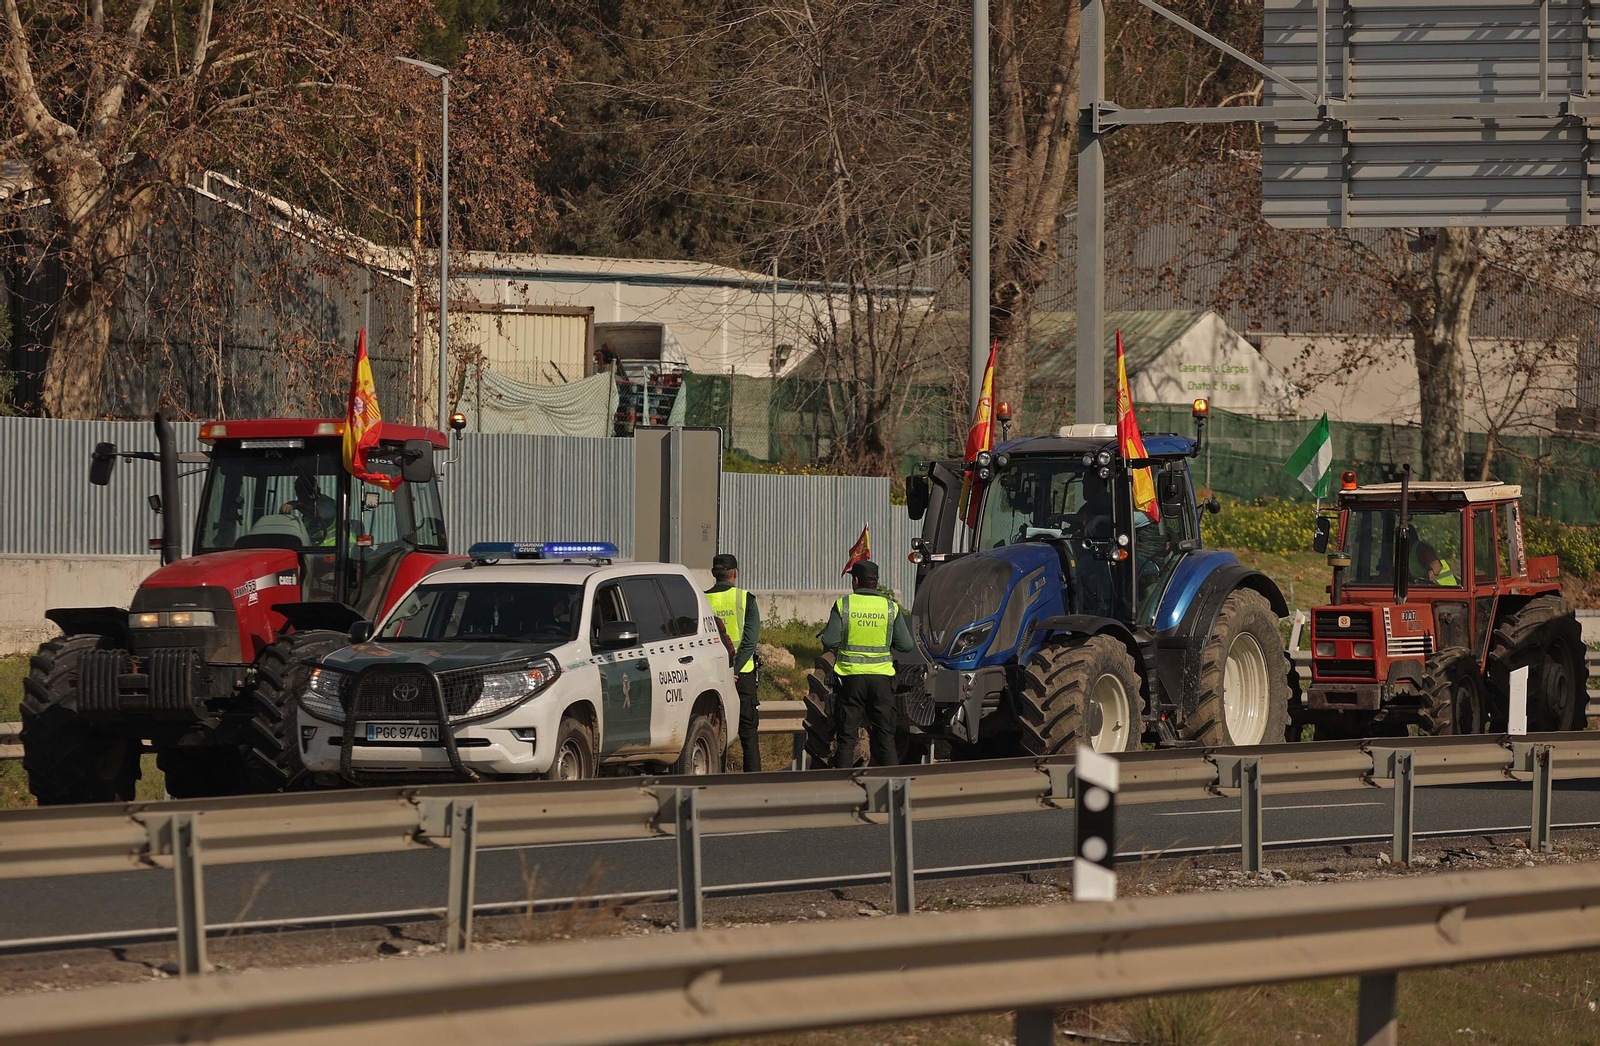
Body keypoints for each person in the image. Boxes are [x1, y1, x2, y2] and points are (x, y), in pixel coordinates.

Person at [819, 560, 915, 768]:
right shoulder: (890, 608)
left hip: (851, 681)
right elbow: (906, 645)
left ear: (855, 580)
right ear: (876, 582)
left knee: (847, 740)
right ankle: (893, 789)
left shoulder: (844, 605)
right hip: (882, 682)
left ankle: (845, 791)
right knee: (886, 740)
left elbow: (829, 641)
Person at [706, 553, 763, 772]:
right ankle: (754, 786)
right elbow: (749, 641)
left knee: (712, 733)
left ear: (713, 573)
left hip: (711, 677)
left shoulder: (701, 599)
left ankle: (715, 782)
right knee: (748, 733)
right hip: (743, 675)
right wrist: (734, 669)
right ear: (735, 573)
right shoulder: (745, 598)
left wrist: (722, 670)